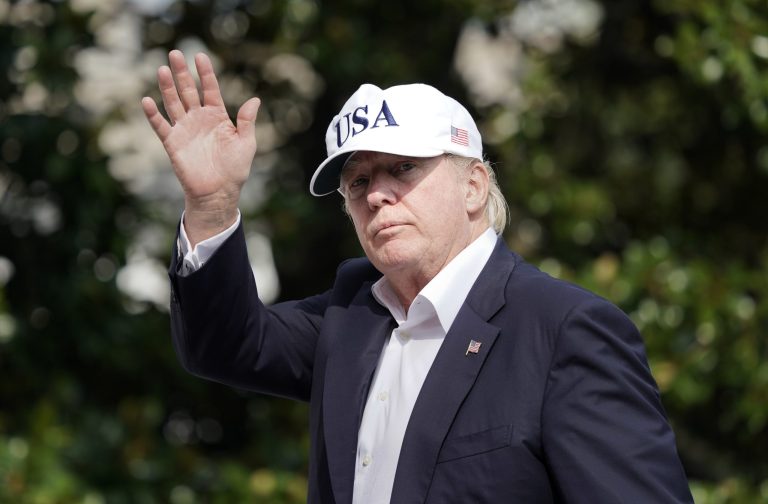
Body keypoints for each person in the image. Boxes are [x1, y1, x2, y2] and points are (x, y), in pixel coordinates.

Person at [142, 50, 694, 503]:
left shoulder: (566, 330)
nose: (376, 195)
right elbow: (224, 345)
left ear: (473, 186)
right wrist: (211, 204)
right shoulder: (351, 313)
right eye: (358, 183)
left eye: (403, 168)